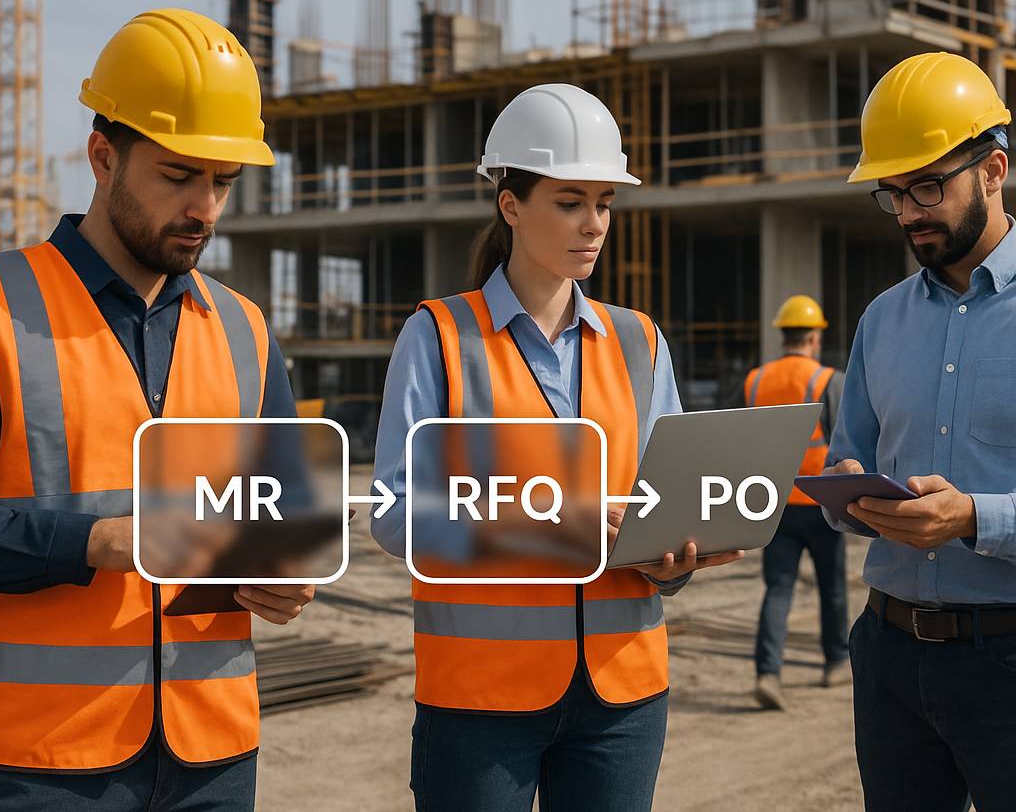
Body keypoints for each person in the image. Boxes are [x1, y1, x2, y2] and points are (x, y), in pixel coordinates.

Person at [370, 83, 743, 812]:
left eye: (604, 202)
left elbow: (661, 499)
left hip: (622, 696)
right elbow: (392, 513)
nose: (594, 223)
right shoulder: (439, 340)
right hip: (481, 698)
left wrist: (674, 559)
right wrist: (556, 524)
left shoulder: (641, 342)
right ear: (511, 205)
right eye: (570, 201)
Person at [0, 9, 314, 810]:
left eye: (224, 182)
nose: (205, 207)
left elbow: (279, 519)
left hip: (213, 751)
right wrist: (90, 541)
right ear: (104, 156)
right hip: (41, 760)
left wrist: (287, 578)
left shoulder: (244, 329)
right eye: (179, 176)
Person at [823, 51, 1016, 812]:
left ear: (995, 169)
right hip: (889, 660)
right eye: (892, 193)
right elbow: (852, 461)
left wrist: (972, 516)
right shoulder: (882, 318)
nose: (907, 211)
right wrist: (849, 491)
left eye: (927, 186)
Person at [746, 295, 850, 710]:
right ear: (813, 336)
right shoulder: (828, 380)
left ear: (783, 334)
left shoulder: (755, 380)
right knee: (832, 588)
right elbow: (846, 446)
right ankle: (836, 663)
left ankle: (768, 673)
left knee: (778, 589)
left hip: (772, 507)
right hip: (820, 502)